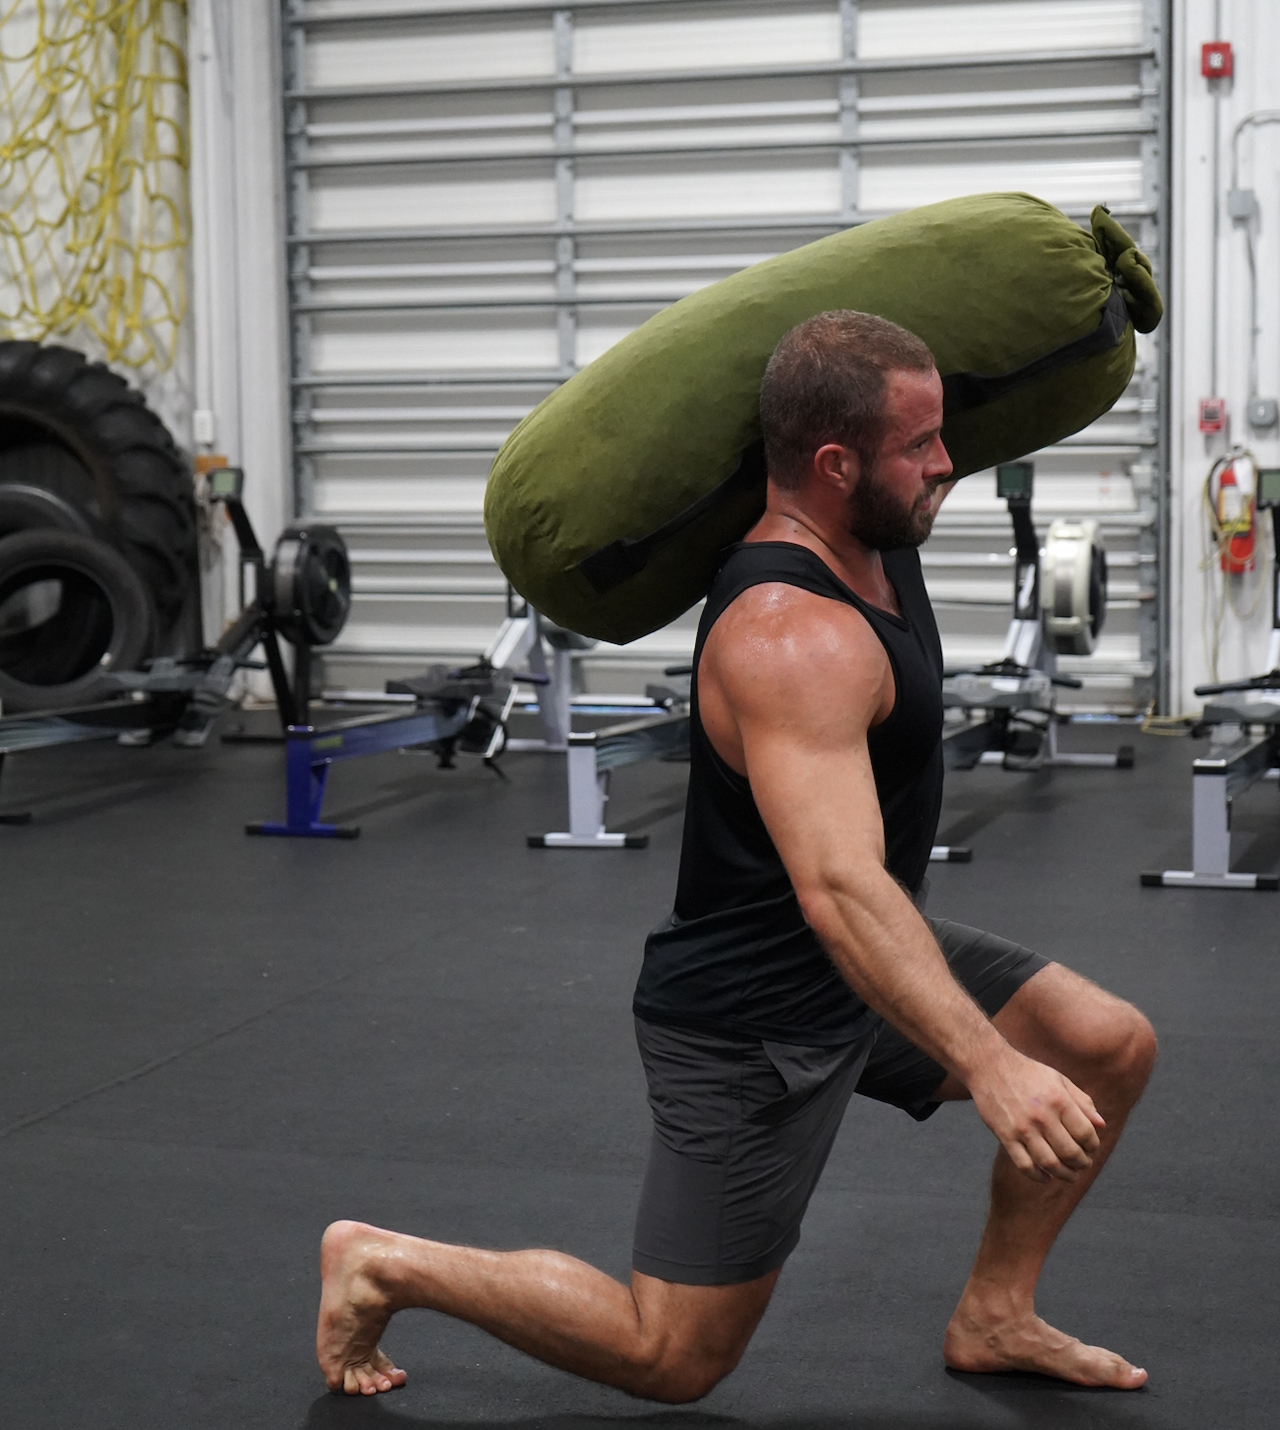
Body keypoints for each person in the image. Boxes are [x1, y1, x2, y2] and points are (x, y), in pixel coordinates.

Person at [316, 310, 1157, 1400]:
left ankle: (995, 1314)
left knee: (1104, 1044)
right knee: (670, 1354)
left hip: (857, 959)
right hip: (752, 1016)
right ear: (831, 462)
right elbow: (841, 887)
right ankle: (384, 1261)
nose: (945, 462)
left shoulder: (876, 534)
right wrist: (991, 1065)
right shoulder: (784, 632)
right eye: (919, 446)